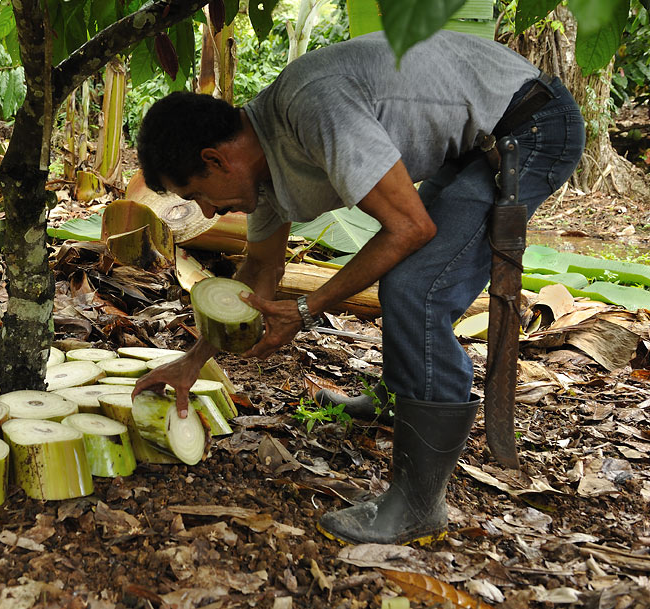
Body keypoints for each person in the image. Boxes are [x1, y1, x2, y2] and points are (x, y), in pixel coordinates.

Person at [131, 29, 584, 546]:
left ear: (215, 160)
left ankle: (419, 505)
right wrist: (193, 361)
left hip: (531, 123)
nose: (209, 213)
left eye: (198, 195)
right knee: (409, 274)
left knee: (418, 287)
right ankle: (400, 399)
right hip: (477, 138)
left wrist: (307, 308)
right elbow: (260, 271)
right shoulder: (264, 163)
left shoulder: (312, 108)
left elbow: (411, 228)